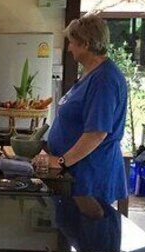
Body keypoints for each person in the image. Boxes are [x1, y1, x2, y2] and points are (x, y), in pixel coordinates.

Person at [46, 15, 128, 204]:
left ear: (85, 44)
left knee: (89, 231)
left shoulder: (104, 80)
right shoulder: (90, 74)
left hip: (91, 176)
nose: (69, 48)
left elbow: (97, 133)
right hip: (78, 173)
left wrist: (61, 161)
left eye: (72, 43)